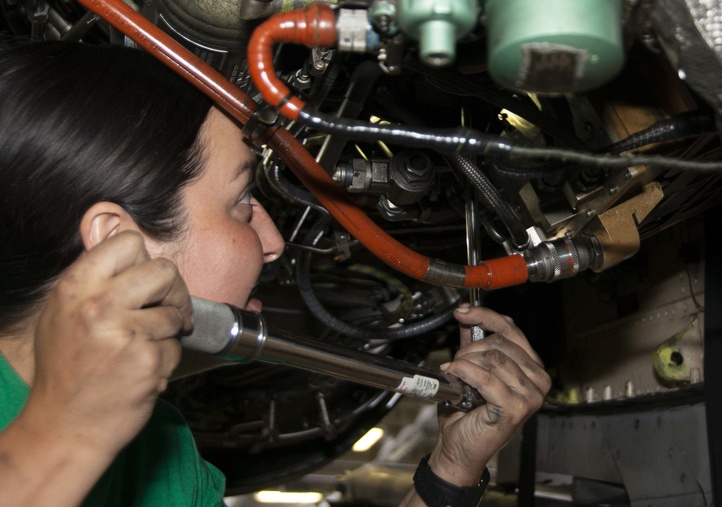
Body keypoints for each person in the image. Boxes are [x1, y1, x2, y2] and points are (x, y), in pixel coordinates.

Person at [0, 40, 550, 506]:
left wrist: (451, 470)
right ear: (117, 246)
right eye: (241, 201)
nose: (273, 242)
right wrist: (66, 440)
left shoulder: (164, 453)